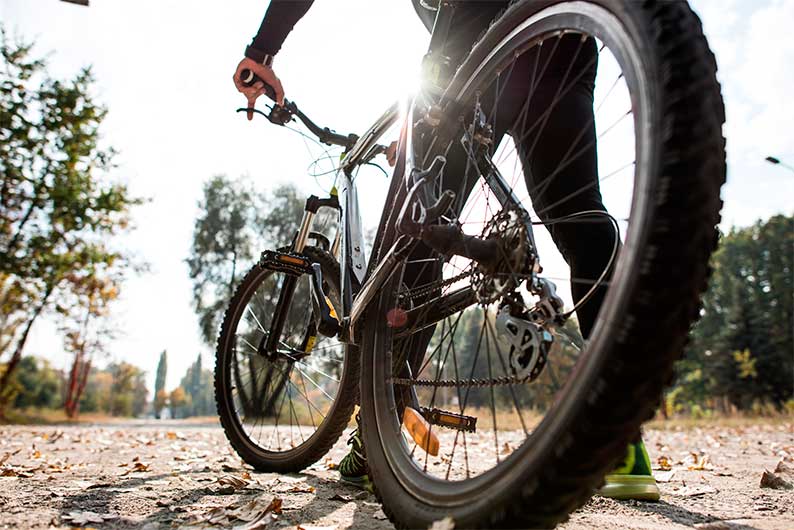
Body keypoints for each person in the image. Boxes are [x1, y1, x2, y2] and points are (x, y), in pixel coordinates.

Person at [234, 0, 659, 502]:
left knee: (415, 229)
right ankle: (621, 436)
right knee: (580, 217)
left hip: (473, 37)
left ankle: (378, 431)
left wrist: (262, 50)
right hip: (561, 40)